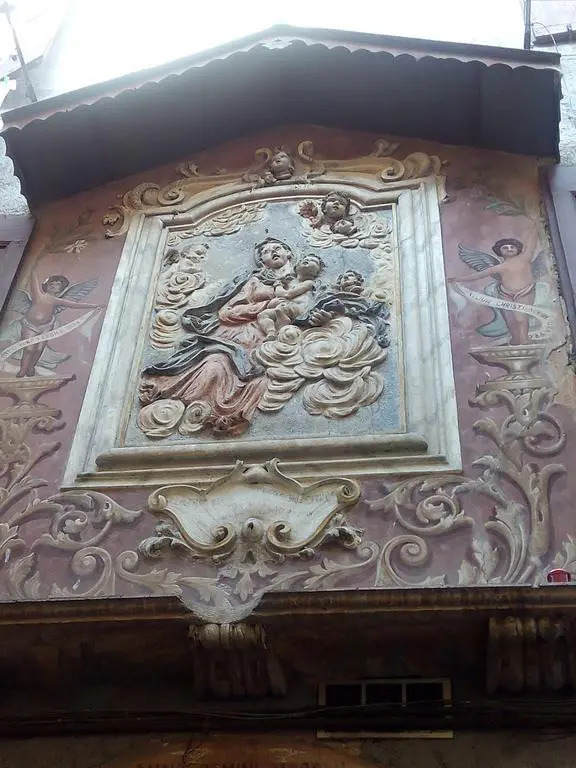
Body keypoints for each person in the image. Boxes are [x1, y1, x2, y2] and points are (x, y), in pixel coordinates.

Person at [139, 238, 295, 436]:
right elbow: (226, 312)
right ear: (261, 260)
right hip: (235, 336)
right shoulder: (254, 281)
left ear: (289, 253)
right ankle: (194, 411)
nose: (272, 252)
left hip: (268, 344)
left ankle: (226, 417)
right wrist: (264, 306)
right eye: (266, 251)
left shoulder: (301, 281)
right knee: (215, 365)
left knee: (261, 381)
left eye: (278, 248)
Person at [449, 229, 540, 345]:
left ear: (518, 249)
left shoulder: (525, 258)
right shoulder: (499, 267)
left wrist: (535, 227)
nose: (509, 249)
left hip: (524, 292)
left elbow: (532, 243)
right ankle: (516, 338)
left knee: (521, 318)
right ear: (500, 251)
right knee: (510, 320)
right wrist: (457, 279)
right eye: (505, 248)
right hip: (505, 294)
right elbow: (478, 275)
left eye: (512, 247)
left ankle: (524, 339)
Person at [18, 274, 100, 377]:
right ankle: (23, 369)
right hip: (30, 326)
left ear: (60, 289)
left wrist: (95, 306)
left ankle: (31, 367)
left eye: (57, 284)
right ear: (46, 286)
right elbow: (33, 281)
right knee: (28, 349)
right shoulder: (38, 295)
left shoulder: (58, 301)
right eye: (51, 284)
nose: (54, 285)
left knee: (39, 349)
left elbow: (75, 305)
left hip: (46, 327)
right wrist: (33, 270)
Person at [257, 254, 323, 339]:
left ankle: (282, 322)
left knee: (280, 308)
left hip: (299, 309)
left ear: (316, 272)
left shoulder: (309, 283)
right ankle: (271, 332)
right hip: (288, 308)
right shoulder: (291, 282)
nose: (307, 261)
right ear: (296, 267)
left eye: (313, 261)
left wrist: (278, 285)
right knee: (263, 315)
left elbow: (287, 294)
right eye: (304, 259)